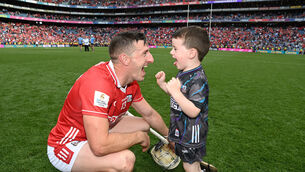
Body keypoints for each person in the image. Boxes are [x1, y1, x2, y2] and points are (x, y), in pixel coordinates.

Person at [47, 31, 169, 171]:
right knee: (125, 160)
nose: (151, 59)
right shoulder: (98, 83)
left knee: (145, 124)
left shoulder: (130, 83)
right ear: (125, 59)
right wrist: (138, 137)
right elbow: (99, 146)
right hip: (68, 143)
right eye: (145, 53)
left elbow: (150, 115)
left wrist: (169, 137)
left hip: (100, 130)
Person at [155, 26, 210, 172]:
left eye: (175, 49)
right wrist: (163, 85)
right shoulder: (183, 73)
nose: (171, 52)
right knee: (192, 163)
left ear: (192, 53)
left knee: (189, 166)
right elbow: (178, 97)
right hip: (181, 129)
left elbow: (193, 111)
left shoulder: (198, 80)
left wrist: (176, 92)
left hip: (191, 135)